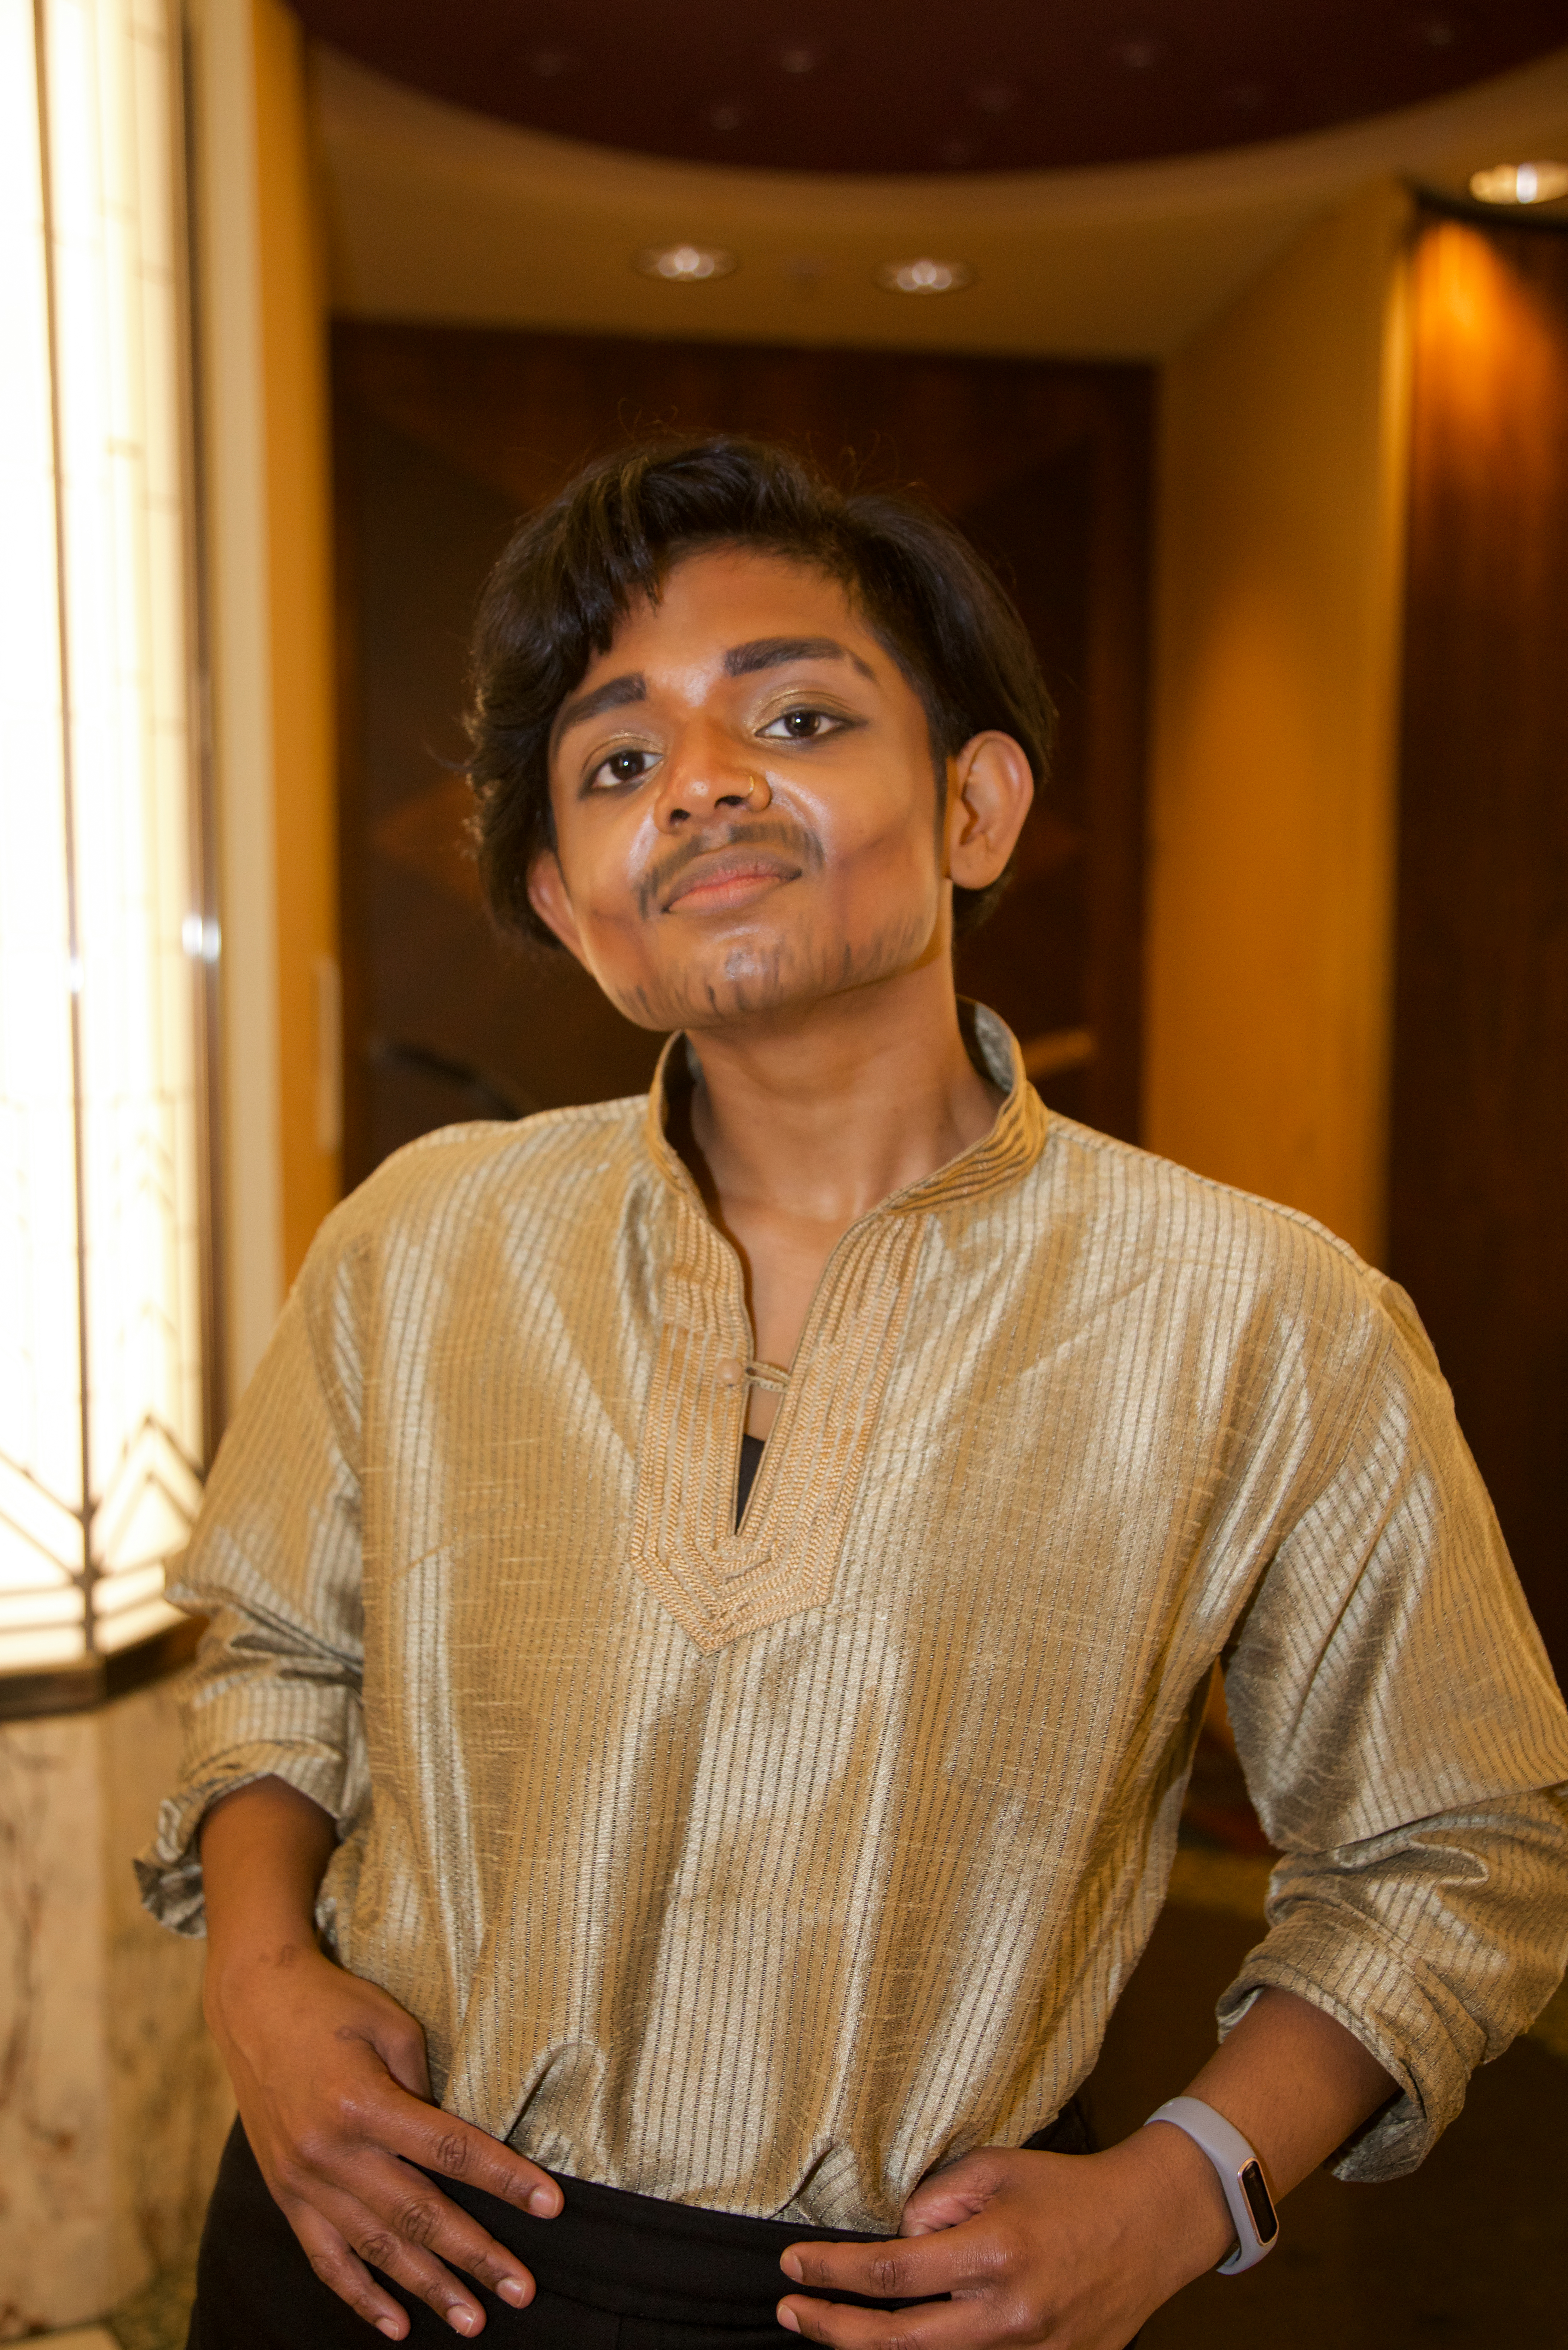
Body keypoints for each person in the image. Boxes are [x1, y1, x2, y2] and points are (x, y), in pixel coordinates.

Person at [140, 438, 1568, 2350]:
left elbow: (1460, 1842)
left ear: (974, 805)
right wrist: (256, 1981)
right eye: (617, 764)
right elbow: (276, 1659)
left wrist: (1184, 2191)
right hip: (364, 2249)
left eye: (796, 716)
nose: (701, 783)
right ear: (572, 905)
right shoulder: (423, 1241)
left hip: (901, 2308)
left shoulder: (1265, 1319)